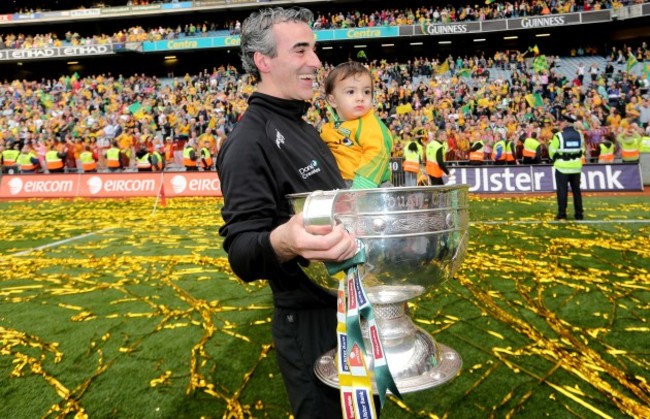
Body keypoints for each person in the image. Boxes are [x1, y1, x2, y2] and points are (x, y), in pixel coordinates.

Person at [216, 8, 358, 419]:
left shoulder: (303, 124)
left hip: (346, 310)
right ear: (263, 61)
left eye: (314, 49)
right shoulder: (249, 141)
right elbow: (242, 251)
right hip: (311, 324)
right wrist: (286, 239)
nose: (316, 62)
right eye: (301, 50)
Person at [320, 61, 393, 189]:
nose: (360, 97)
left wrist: (362, 187)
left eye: (366, 92)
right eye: (351, 92)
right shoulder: (327, 128)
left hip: (369, 186)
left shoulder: (370, 124)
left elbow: (377, 153)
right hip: (340, 184)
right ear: (332, 100)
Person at [549, 116, 585, 221]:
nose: (560, 124)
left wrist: (555, 159)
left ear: (565, 123)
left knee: (562, 191)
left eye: (561, 122)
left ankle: (562, 213)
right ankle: (579, 214)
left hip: (562, 167)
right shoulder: (580, 135)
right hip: (576, 167)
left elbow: (551, 151)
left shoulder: (559, 136)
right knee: (576, 191)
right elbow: (582, 150)